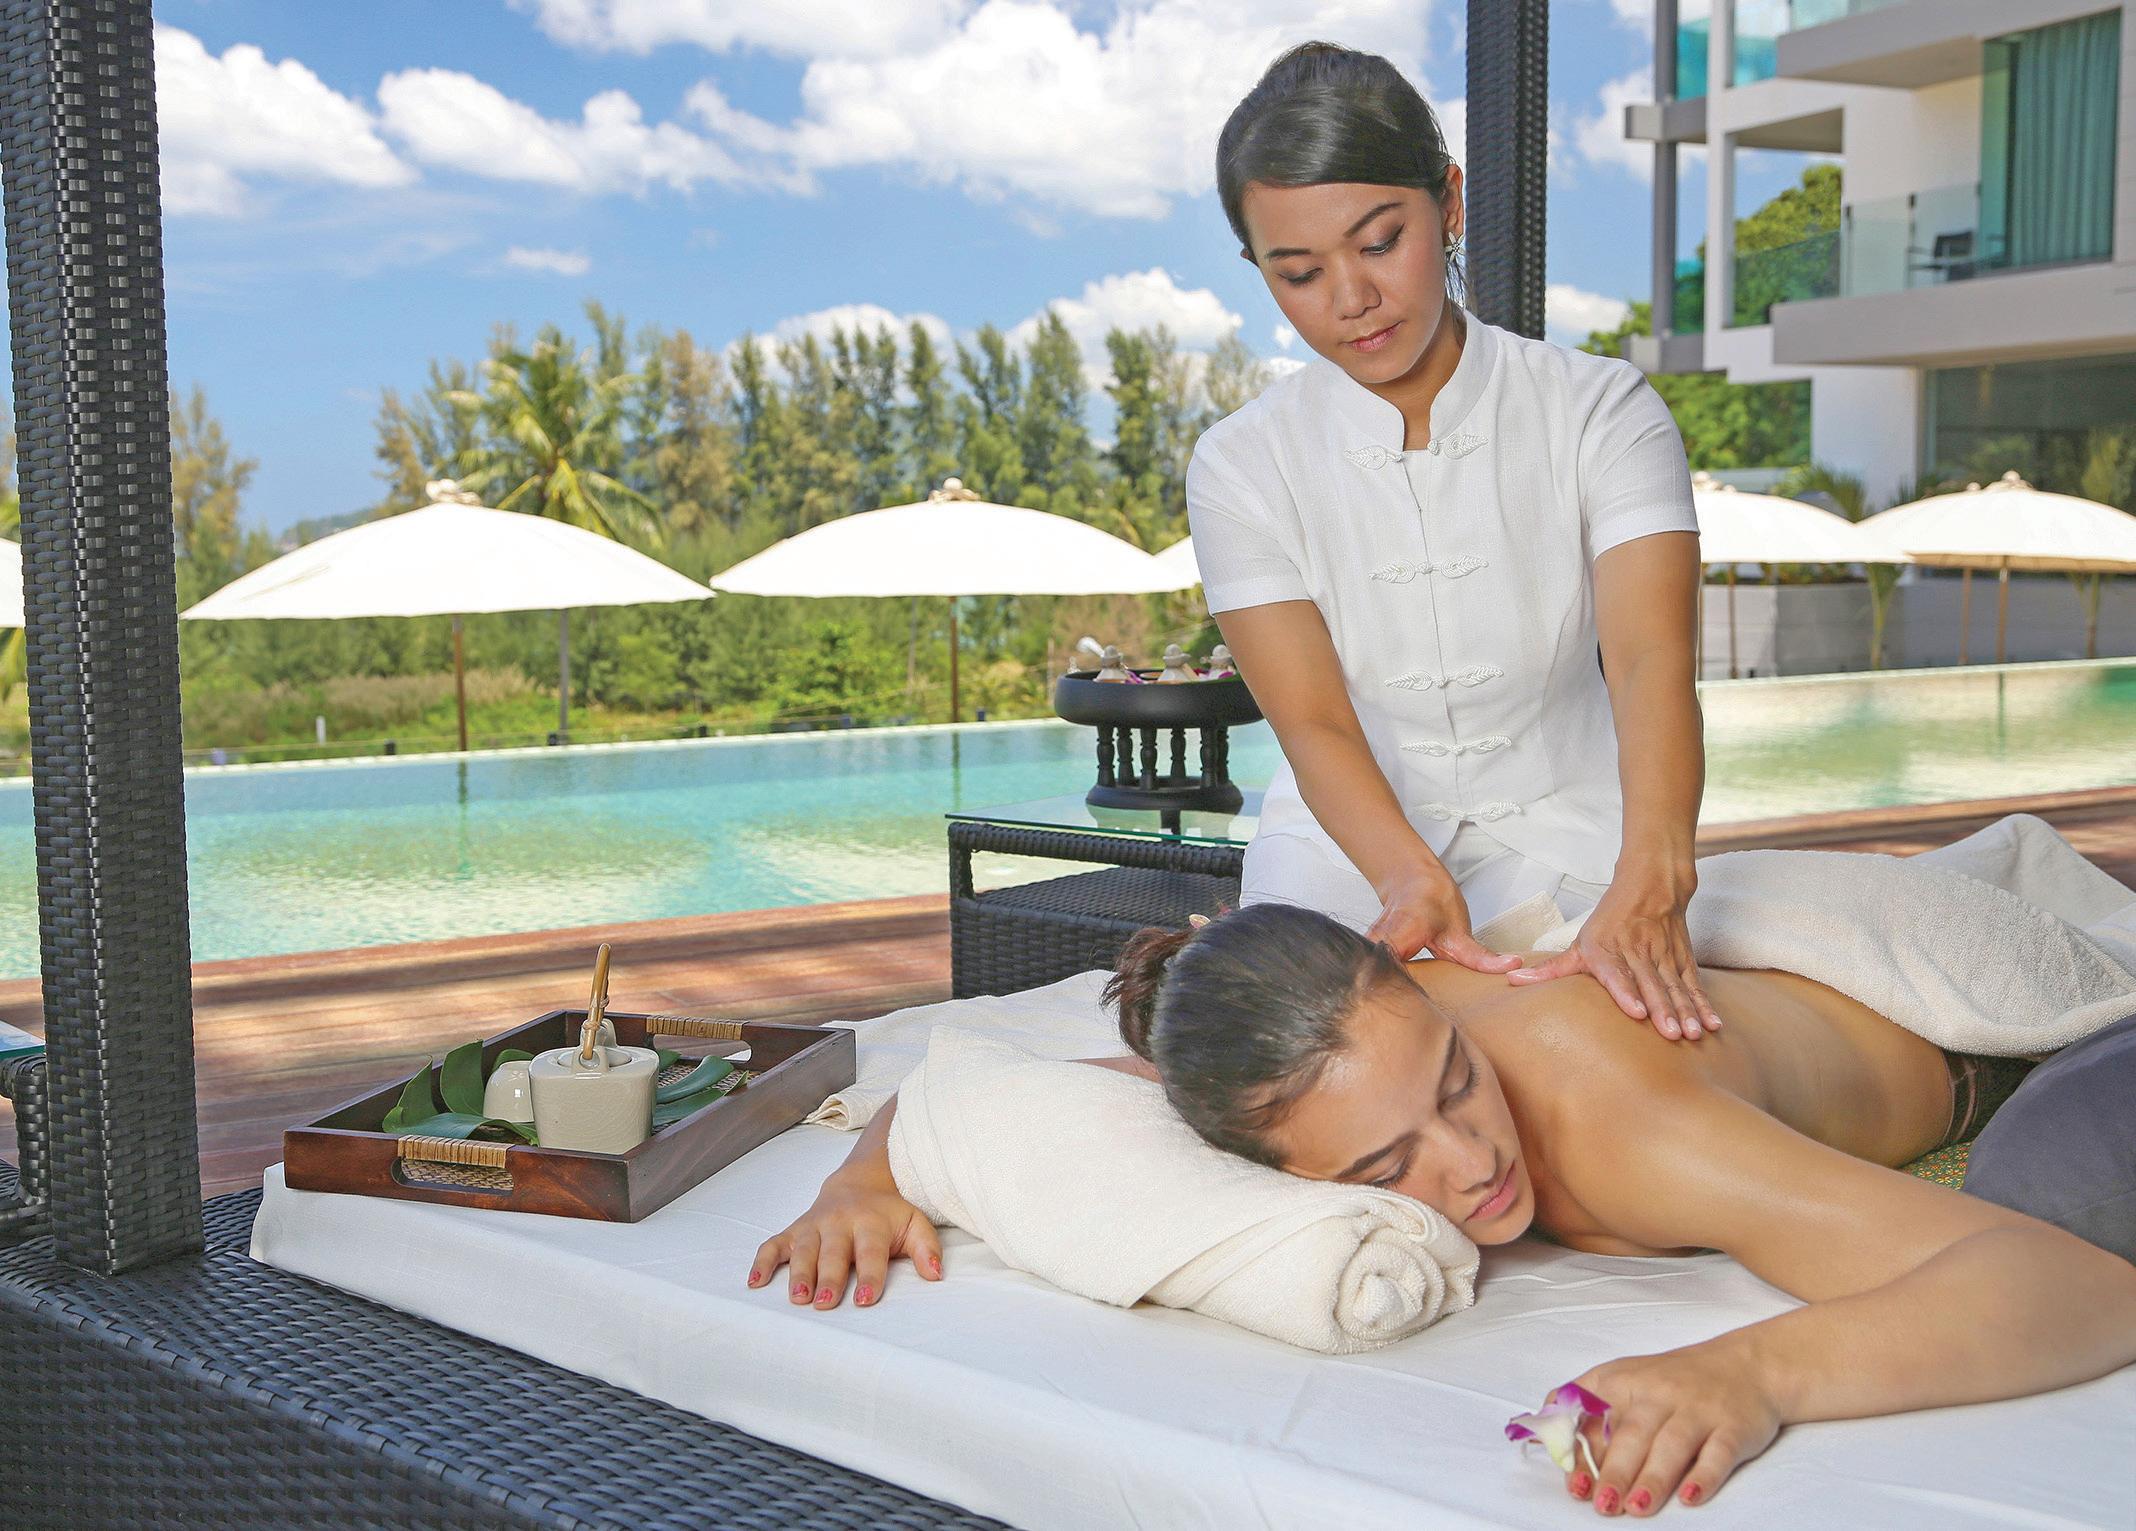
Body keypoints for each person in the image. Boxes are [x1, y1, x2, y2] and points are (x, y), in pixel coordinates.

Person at [750, 901, 2136, 1515]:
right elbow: (978, 1087)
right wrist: (860, 1180)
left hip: (1969, 1039)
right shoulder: (1280, 1069)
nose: (1472, 1162)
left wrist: (1751, 1369)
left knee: (2065, 1176)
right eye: (1383, 1168)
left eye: (1459, 1079)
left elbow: (2081, 1285)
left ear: (1419, 990)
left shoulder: (1623, 1127)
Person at [1192, 43, 1715, 1039]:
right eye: (1299, 273)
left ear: (1450, 204)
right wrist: (1407, 877)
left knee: (1586, 1052)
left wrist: (1655, 876)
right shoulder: (1240, 463)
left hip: (1582, 839)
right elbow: (1313, 722)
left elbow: (1651, 660)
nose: (1350, 298)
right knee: (1311, 1061)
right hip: (1347, 857)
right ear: (1260, 270)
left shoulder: (1602, 409)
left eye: (1381, 242)